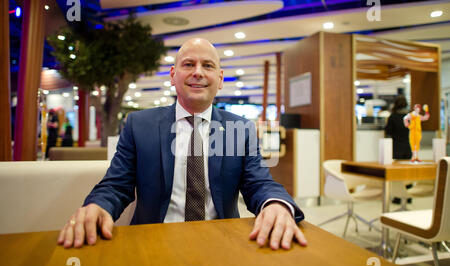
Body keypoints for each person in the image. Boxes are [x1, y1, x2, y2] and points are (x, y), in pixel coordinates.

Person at [58, 38, 307, 251]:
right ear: (173, 75)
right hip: (152, 243)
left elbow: (259, 183)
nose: (198, 72)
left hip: (222, 243)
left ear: (219, 79)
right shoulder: (138, 124)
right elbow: (116, 185)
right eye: (188, 64)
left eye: (207, 66)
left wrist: (276, 204)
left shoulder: (240, 129)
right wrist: (98, 206)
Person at [385, 95, 412, 160]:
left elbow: (388, 131)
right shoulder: (409, 117)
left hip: (396, 148)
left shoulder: (393, 117)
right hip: (407, 148)